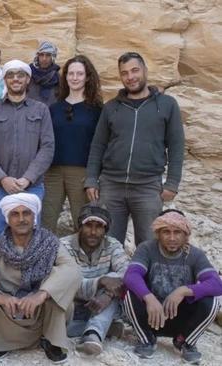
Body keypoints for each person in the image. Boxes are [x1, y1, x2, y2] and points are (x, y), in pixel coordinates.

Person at [0, 193, 81, 363]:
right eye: (15, 214)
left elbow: (71, 269)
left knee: (59, 287)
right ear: (8, 219)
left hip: (41, 309)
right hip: (10, 309)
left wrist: (42, 294)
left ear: (34, 217)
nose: (21, 219)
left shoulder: (50, 243)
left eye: (26, 213)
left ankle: (50, 340)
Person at [85, 52, 185, 246]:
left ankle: (142, 277)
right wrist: (91, 179)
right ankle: (112, 277)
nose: (130, 77)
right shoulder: (111, 107)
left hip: (147, 187)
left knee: (148, 244)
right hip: (111, 186)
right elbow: (98, 145)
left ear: (145, 71)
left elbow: (176, 145)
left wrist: (172, 183)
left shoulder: (167, 105)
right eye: (124, 73)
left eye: (135, 70)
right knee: (108, 244)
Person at [123, 209, 222, 363]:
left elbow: (216, 284)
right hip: (152, 316)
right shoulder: (147, 248)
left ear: (186, 235)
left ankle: (185, 342)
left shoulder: (195, 255)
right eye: (166, 232)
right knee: (129, 292)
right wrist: (148, 298)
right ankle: (147, 339)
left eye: (177, 232)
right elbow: (131, 275)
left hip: (179, 317)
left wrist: (183, 291)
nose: (172, 238)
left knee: (213, 300)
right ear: (158, 233)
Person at [0, 60, 54, 244]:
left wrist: (27, 178)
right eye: (10, 75)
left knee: (29, 241)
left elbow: (47, 148)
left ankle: (27, 274)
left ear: (28, 79)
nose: (16, 79)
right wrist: (3, 179)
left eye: (20, 75)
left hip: (31, 186)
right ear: (5, 80)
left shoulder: (41, 110)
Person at [42, 55, 103, 233]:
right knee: (46, 218)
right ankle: (44, 257)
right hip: (52, 172)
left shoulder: (97, 109)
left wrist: (95, 176)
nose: (74, 78)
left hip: (82, 172)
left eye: (79, 74)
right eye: (71, 73)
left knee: (82, 220)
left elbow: (100, 145)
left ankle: (82, 259)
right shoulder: (54, 108)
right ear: (65, 76)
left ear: (88, 77)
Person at [60, 203, 129, 355]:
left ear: (105, 230)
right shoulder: (63, 245)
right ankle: (106, 327)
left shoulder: (112, 245)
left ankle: (93, 334)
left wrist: (108, 294)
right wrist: (100, 281)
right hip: (72, 304)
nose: (93, 232)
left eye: (99, 226)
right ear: (80, 226)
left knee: (115, 279)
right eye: (88, 225)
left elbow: (127, 272)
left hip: (101, 304)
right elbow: (65, 283)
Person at [28, 41, 60, 106]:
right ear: (38, 56)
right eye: (41, 55)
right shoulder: (28, 74)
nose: (44, 59)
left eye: (48, 55)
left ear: (52, 57)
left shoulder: (58, 77)